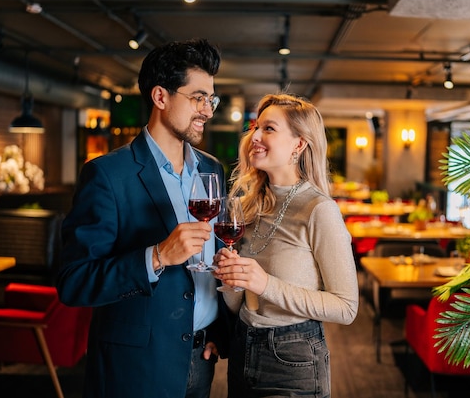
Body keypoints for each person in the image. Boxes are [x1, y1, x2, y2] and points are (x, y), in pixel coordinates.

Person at [56, 38, 229, 398]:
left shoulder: (211, 169)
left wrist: (219, 329)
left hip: (201, 359)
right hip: (136, 367)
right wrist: (158, 256)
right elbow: (74, 282)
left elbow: (211, 264)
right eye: (198, 98)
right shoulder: (106, 175)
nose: (207, 110)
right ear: (161, 97)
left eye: (210, 99)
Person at [213, 93, 359, 398]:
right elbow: (243, 303)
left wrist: (265, 283)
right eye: (255, 127)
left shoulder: (320, 209)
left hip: (292, 358)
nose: (255, 136)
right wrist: (232, 280)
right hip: (243, 348)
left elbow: (346, 307)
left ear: (299, 144)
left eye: (269, 129)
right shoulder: (248, 206)